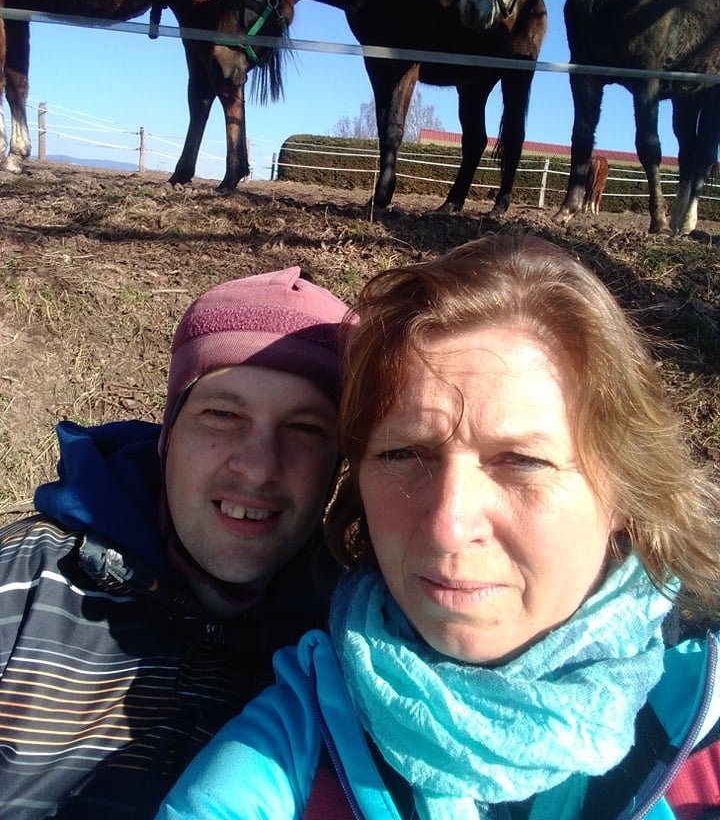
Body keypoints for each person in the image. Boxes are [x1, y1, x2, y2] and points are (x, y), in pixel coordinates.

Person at [156, 234, 720, 820]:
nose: (448, 527)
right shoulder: (292, 744)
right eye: (404, 454)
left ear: (625, 488)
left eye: (521, 461)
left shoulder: (703, 724)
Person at [0, 266, 350, 819]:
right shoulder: (22, 582)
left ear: (337, 468)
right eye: (222, 415)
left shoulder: (345, 651)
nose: (259, 467)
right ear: (168, 434)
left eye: (306, 428)